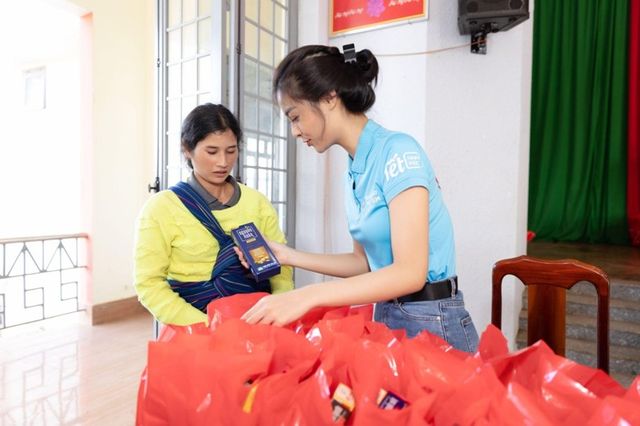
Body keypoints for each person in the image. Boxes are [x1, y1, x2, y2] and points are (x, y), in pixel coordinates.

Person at [238, 45, 479, 353]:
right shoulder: (354, 170)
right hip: (389, 314)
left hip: (433, 319)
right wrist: (288, 256)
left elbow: (410, 272)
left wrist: (308, 295)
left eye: (295, 117)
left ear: (329, 97)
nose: (295, 132)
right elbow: (364, 264)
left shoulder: (398, 152)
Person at [134, 103, 293, 326]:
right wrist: (208, 326)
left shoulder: (256, 202)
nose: (223, 162)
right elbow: (148, 284)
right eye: (211, 151)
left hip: (260, 322)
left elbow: (281, 268)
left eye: (231, 150)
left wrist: (277, 307)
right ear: (187, 149)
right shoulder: (161, 209)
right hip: (196, 331)